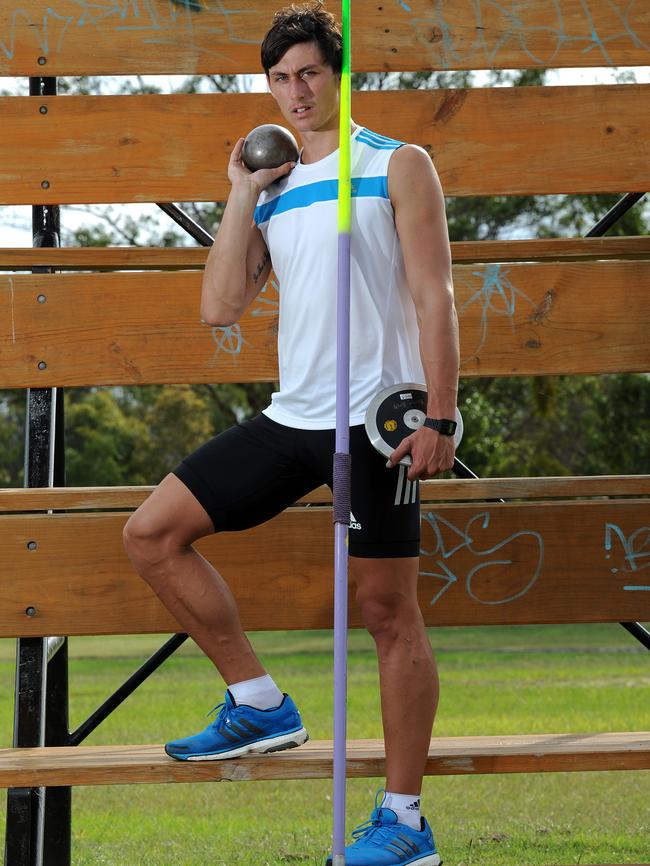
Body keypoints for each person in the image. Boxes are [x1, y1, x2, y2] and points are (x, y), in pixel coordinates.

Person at [122, 2, 459, 863]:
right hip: (293, 417)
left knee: (388, 613)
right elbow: (219, 307)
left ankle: (405, 824)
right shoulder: (272, 192)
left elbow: (435, 298)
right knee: (153, 533)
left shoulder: (395, 165)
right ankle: (261, 702)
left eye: (309, 73)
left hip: (379, 422)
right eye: (280, 78)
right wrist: (241, 192)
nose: (296, 91)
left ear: (339, 77)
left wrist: (442, 414)